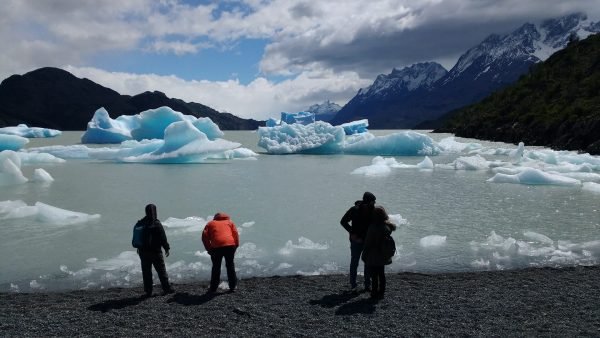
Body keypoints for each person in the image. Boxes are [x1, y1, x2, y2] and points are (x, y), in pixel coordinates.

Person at [134, 204, 174, 297]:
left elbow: (138, 237)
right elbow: (163, 237)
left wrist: (139, 248)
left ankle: (148, 291)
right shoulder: (156, 223)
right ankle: (166, 288)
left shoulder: (140, 223)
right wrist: (166, 248)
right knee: (161, 271)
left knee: (146, 271)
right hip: (155, 252)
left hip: (143, 252)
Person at [340, 191, 376, 292]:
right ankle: (353, 284)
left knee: (368, 262)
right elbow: (343, 221)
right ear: (368, 201)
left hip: (368, 241)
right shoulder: (354, 210)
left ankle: (367, 284)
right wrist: (352, 233)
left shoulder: (373, 210)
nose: (374, 204)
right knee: (354, 262)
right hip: (356, 241)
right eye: (373, 202)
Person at [362, 206, 396, 300]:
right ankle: (382, 292)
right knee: (381, 274)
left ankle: (374, 292)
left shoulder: (372, 227)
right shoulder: (387, 227)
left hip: (373, 254)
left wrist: (364, 255)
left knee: (374, 275)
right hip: (383, 253)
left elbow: (368, 243)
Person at [202, 212, 240, 293]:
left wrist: (209, 249)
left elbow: (204, 237)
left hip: (216, 247)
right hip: (230, 246)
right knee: (230, 266)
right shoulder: (230, 222)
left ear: (215, 217)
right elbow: (235, 234)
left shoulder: (210, 223)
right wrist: (236, 245)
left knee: (216, 267)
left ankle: (213, 288)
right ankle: (233, 287)